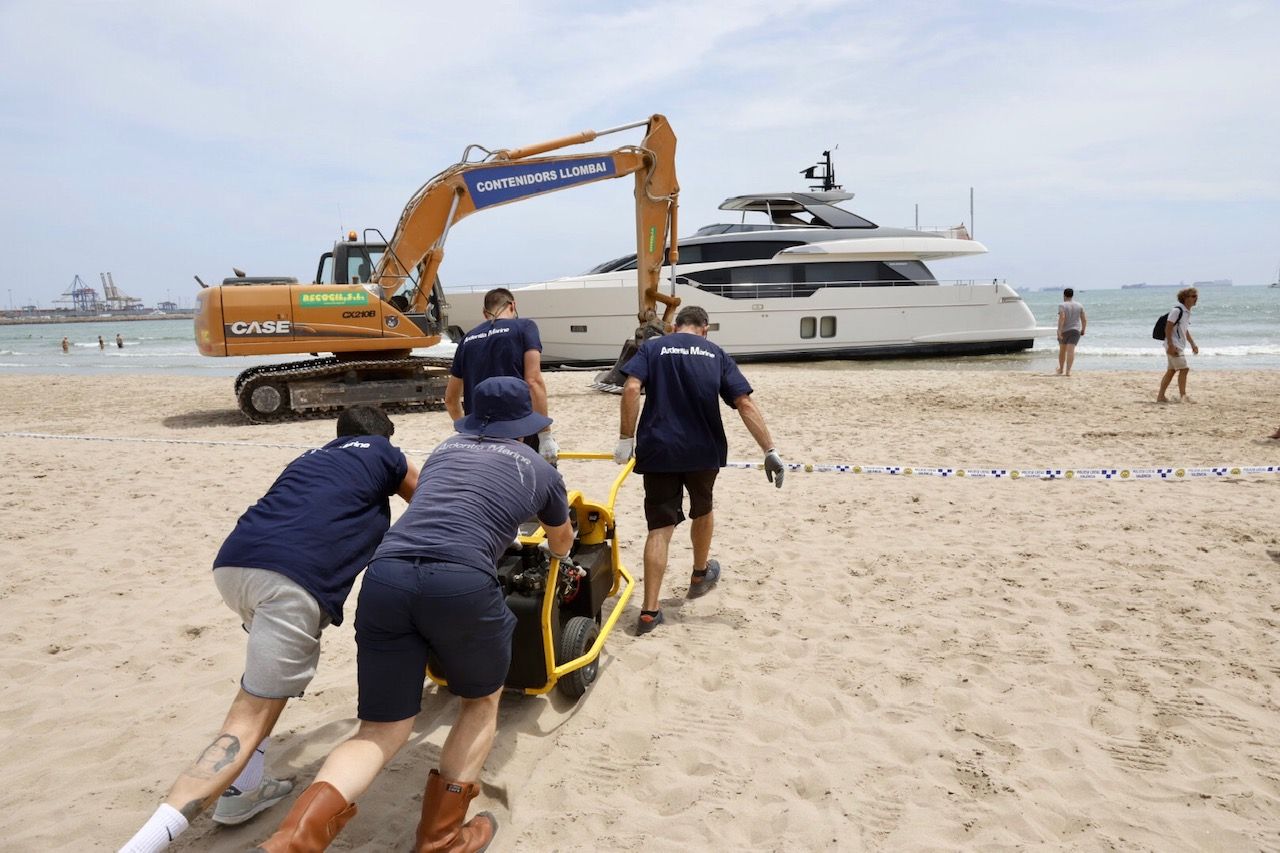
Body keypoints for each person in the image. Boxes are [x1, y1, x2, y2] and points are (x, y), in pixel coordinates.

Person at [253, 376, 572, 852]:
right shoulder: (538, 468)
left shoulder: (444, 450)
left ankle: (292, 840)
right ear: (525, 426)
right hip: (461, 581)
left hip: (386, 576)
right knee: (481, 704)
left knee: (380, 729)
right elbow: (561, 541)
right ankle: (442, 839)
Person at [118, 407, 418, 853]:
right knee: (248, 717)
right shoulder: (384, 452)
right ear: (386, 437)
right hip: (291, 582)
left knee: (264, 687)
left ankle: (244, 791)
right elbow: (428, 498)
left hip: (235, 567)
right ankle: (141, 846)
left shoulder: (308, 457)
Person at [614, 305, 785, 635]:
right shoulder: (715, 353)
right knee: (702, 507)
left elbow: (632, 388)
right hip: (703, 449)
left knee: (660, 526)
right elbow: (744, 403)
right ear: (705, 329)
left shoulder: (652, 347)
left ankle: (649, 611)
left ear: (675, 326)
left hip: (659, 448)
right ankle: (699, 573)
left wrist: (625, 438)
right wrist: (769, 449)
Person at [445, 287, 558, 464]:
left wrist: (467, 431)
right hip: (519, 428)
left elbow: (451, 400)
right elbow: (533, 381)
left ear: (485, 313)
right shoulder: (524, 327)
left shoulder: (467, 339)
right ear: (512, 305)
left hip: (481, 432)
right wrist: (545, 435)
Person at [1156, 287, 1200, 403]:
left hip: (1176, 345)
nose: (1196, 299)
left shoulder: (1186, 312)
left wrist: (1193, 344)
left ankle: (1161, 396)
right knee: (1184, 369)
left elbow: (1184, 330)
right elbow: (1168, 327)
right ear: (1185, 298)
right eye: (1193, 296)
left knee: (1171, 371)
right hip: (1173, 345)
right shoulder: (1177, 311)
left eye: (1196, 296)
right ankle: (1183, 396)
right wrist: (1170, 345)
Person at [1055, 287, 1086, 376]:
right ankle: (1068, 371)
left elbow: (1062, 318)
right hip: (1075, 330)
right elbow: (1084, 319)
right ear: (1072, 295)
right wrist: (1083, 329)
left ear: (1064, 295)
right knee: (1071, 351)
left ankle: (1061, 369)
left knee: (1062, 351)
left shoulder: (1062, 305)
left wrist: (1059, 330)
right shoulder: (1079, 305)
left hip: (1064, 331)